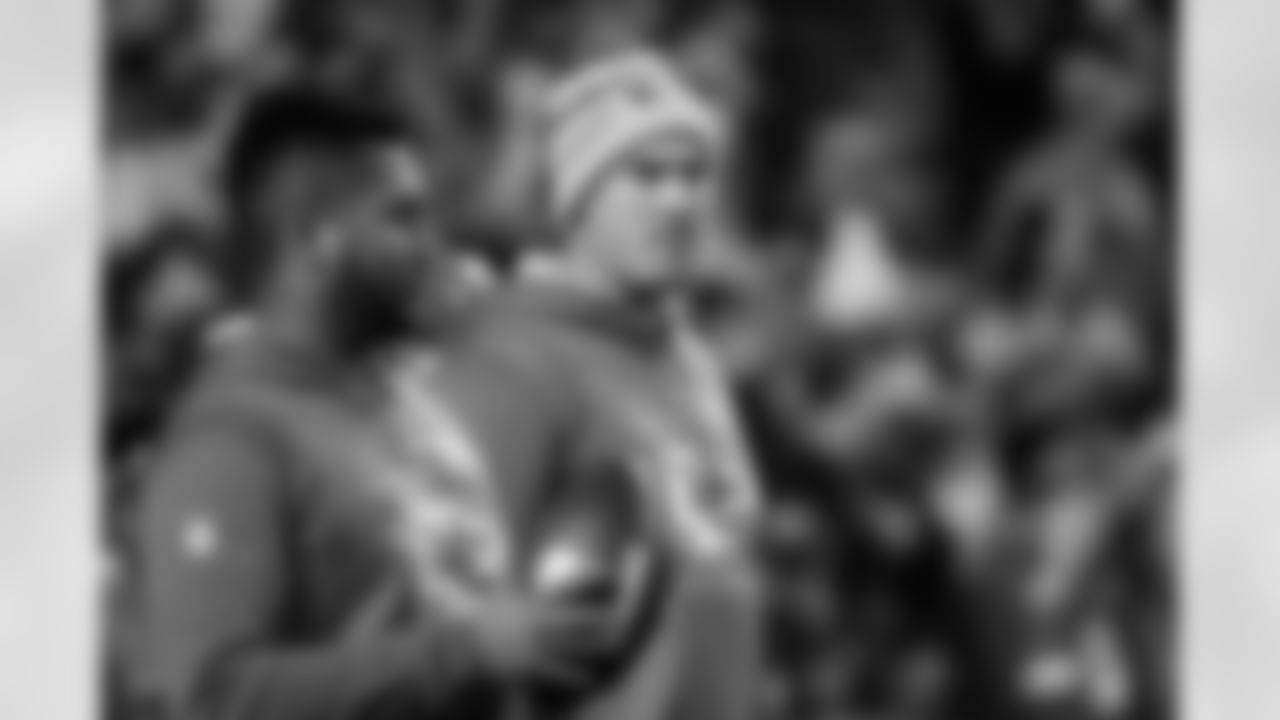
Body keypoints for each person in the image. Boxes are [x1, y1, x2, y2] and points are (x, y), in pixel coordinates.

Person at [132, 87, 610, 720]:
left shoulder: (403, 393)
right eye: (403, 217)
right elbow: (214, 696)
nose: (435, 245)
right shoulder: (229, 444)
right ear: (316, 240)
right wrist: (468, 653)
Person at [427, 51, 765, 720]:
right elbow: (451, 619)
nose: (677, 201)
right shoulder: (506, 364)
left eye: (694, 175)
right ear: (577, 201)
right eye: (645, 175)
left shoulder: (691, 362)